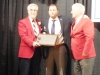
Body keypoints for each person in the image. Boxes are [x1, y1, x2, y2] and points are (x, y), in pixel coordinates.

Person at [41, 4, 72, 75]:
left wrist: (84, 16)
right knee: (48, 70)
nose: (52, 12)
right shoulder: (44, 22)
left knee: (61, 70)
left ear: (58, 11)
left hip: (60, 47)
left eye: (54, 10)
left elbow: (75, 21)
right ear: (48, 12)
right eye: (50, 10)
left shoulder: (65, 19)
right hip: (48, 49)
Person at [70, 3, 96, 75]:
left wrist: (85, 52)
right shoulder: (74, 22)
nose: (71, 12)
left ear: (78, 11)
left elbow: (90, 37)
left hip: (85, 56)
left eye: (73, 10)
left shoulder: (86, 21)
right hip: (76, 55)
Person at [18, 3, 42, 75]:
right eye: (31, 10)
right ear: (28, 11)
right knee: (25, 72)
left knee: (35, 72)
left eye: (35, 10)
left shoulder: (38, 22)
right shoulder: (22, 22)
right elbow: (23, 36)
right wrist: (32, 43)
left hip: (37, 51)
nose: (33, 12)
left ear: (37, 12)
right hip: (26, 51)